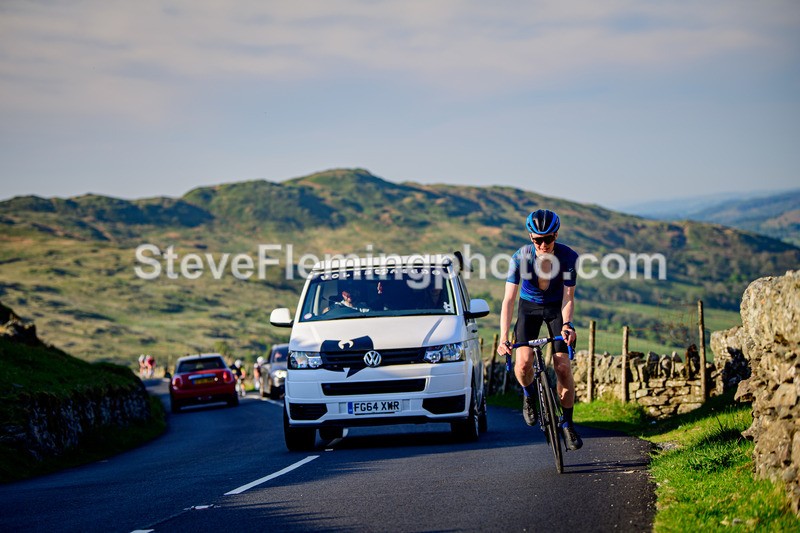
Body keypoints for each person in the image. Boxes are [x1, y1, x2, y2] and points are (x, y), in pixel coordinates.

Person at [497, 209, 583, 451]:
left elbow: (568, 297)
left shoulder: (568, 258)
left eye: (549, 238)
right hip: (529, 308)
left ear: (556, 235)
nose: (544, 244)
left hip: (556, 308)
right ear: (530, 237)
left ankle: (568, 424)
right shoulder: (520, 258)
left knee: (562, 367)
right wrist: (503, 337)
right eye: (538, 240)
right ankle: (528, 395)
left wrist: (567, 325)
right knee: (523, 364)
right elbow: (509, 300)